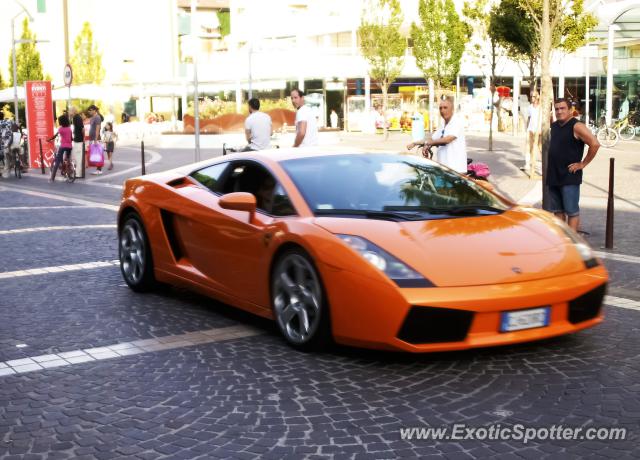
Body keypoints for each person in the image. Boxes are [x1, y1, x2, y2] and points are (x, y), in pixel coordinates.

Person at [545, 98, 600, 232]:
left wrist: (583, 164)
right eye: (557, 109)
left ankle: (572, 242)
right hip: (554, 175)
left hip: (569, 176)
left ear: (570, 110)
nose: (559, 111)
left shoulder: (576, 126)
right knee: (557, 211)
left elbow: (595, 144)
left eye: (562, 108)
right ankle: (561, 240)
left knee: (572, 212)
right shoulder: (554, 125)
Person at [407, 97, 467, 173]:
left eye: (445, 108)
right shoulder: (442, 123)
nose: (442, 110)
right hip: (443, 168)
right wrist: (415, 143)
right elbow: (432, 139)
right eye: (440, 108)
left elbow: (447, 139)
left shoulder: (456, 122)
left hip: (456, 170)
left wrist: (428, 143)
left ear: (452, 110)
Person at [48, 115, 73, 182]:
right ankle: (69, 175)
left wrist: (49, 139)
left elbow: (55, 136)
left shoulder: (60, 129)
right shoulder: (69, 128)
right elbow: (71, 138)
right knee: (68, 160)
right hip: (69, 146)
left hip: (63, 146)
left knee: (57, 161)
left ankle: (52, 178)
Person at [526, 92, 541, 171]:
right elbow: (529, 118)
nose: (532, 98)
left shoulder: (540, 107)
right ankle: (528, 163)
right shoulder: (530, 107)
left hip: (539, 130)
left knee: (540, 147)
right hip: (531, 129)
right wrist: (527, 128)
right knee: (529, 147)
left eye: (534, 96)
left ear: (537, 97)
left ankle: (543, 164)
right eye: (531, 96)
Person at [87, 105, 104, 175]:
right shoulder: (92, 118)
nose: (89, 112)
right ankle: (97, 169)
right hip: (92, 138)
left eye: (90, 110)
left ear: (94, 110)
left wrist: (96, 139)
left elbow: (98, 128)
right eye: (89, 110)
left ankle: (99, 170)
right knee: (95, 154)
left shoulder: (97, 117)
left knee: (98, 154)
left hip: (96, 138)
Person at [69, 107, 85, 176]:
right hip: (77, 140)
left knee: (78, 157)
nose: (69, 112)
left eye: (70, 111)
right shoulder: (75, 117)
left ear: (73, 111)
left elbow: (82, 128)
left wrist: (83, 138)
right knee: (76, 156)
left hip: (78, 140)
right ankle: (77, 173)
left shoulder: (77, 118)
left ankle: (78, 174)